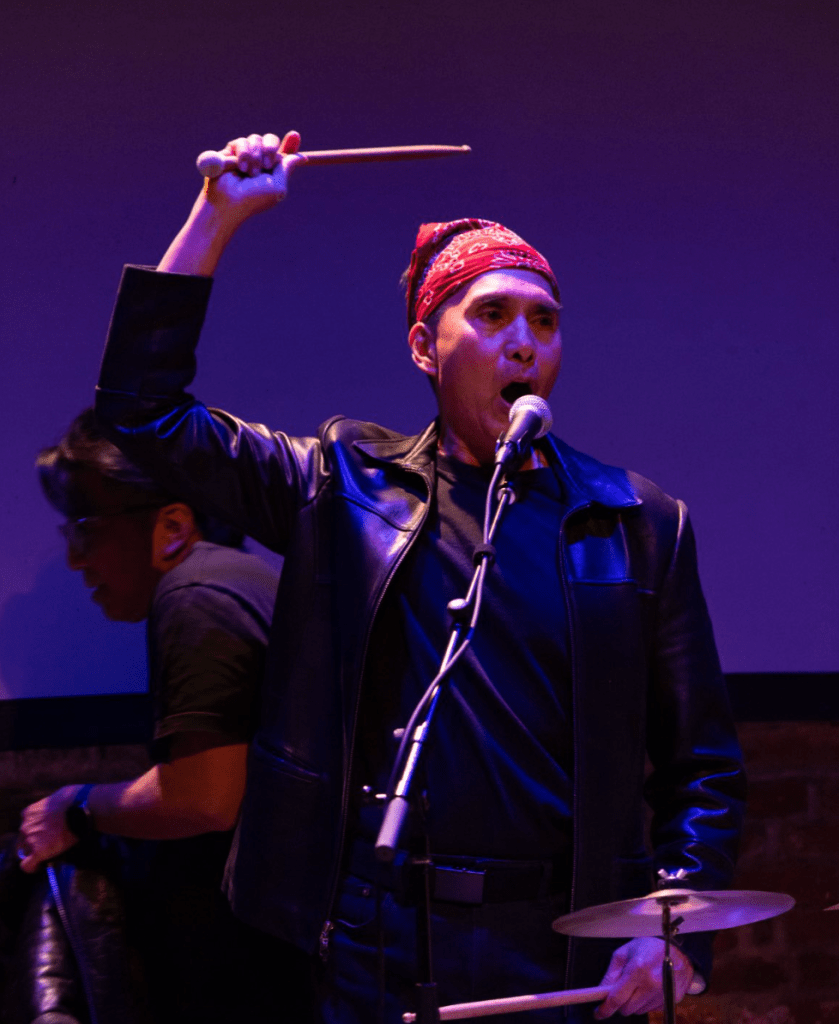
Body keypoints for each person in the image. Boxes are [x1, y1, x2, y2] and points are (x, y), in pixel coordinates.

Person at [92, 131, 746, 1022]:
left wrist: (673, 930)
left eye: (544, 321)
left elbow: (701, 764)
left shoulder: (636, 522)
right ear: (423, 348)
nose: (523, 344)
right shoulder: (343, 487)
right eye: (492, 315)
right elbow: (143, 412)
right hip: (378, 933)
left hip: (562, 939)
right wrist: (218, 216)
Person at [15, 409, 308, 1023]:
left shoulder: (197, 593)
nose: (75, 559)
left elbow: (202, 799)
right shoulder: (232, 581)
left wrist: (75, 807)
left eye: (85, 529)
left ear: (173, 525)